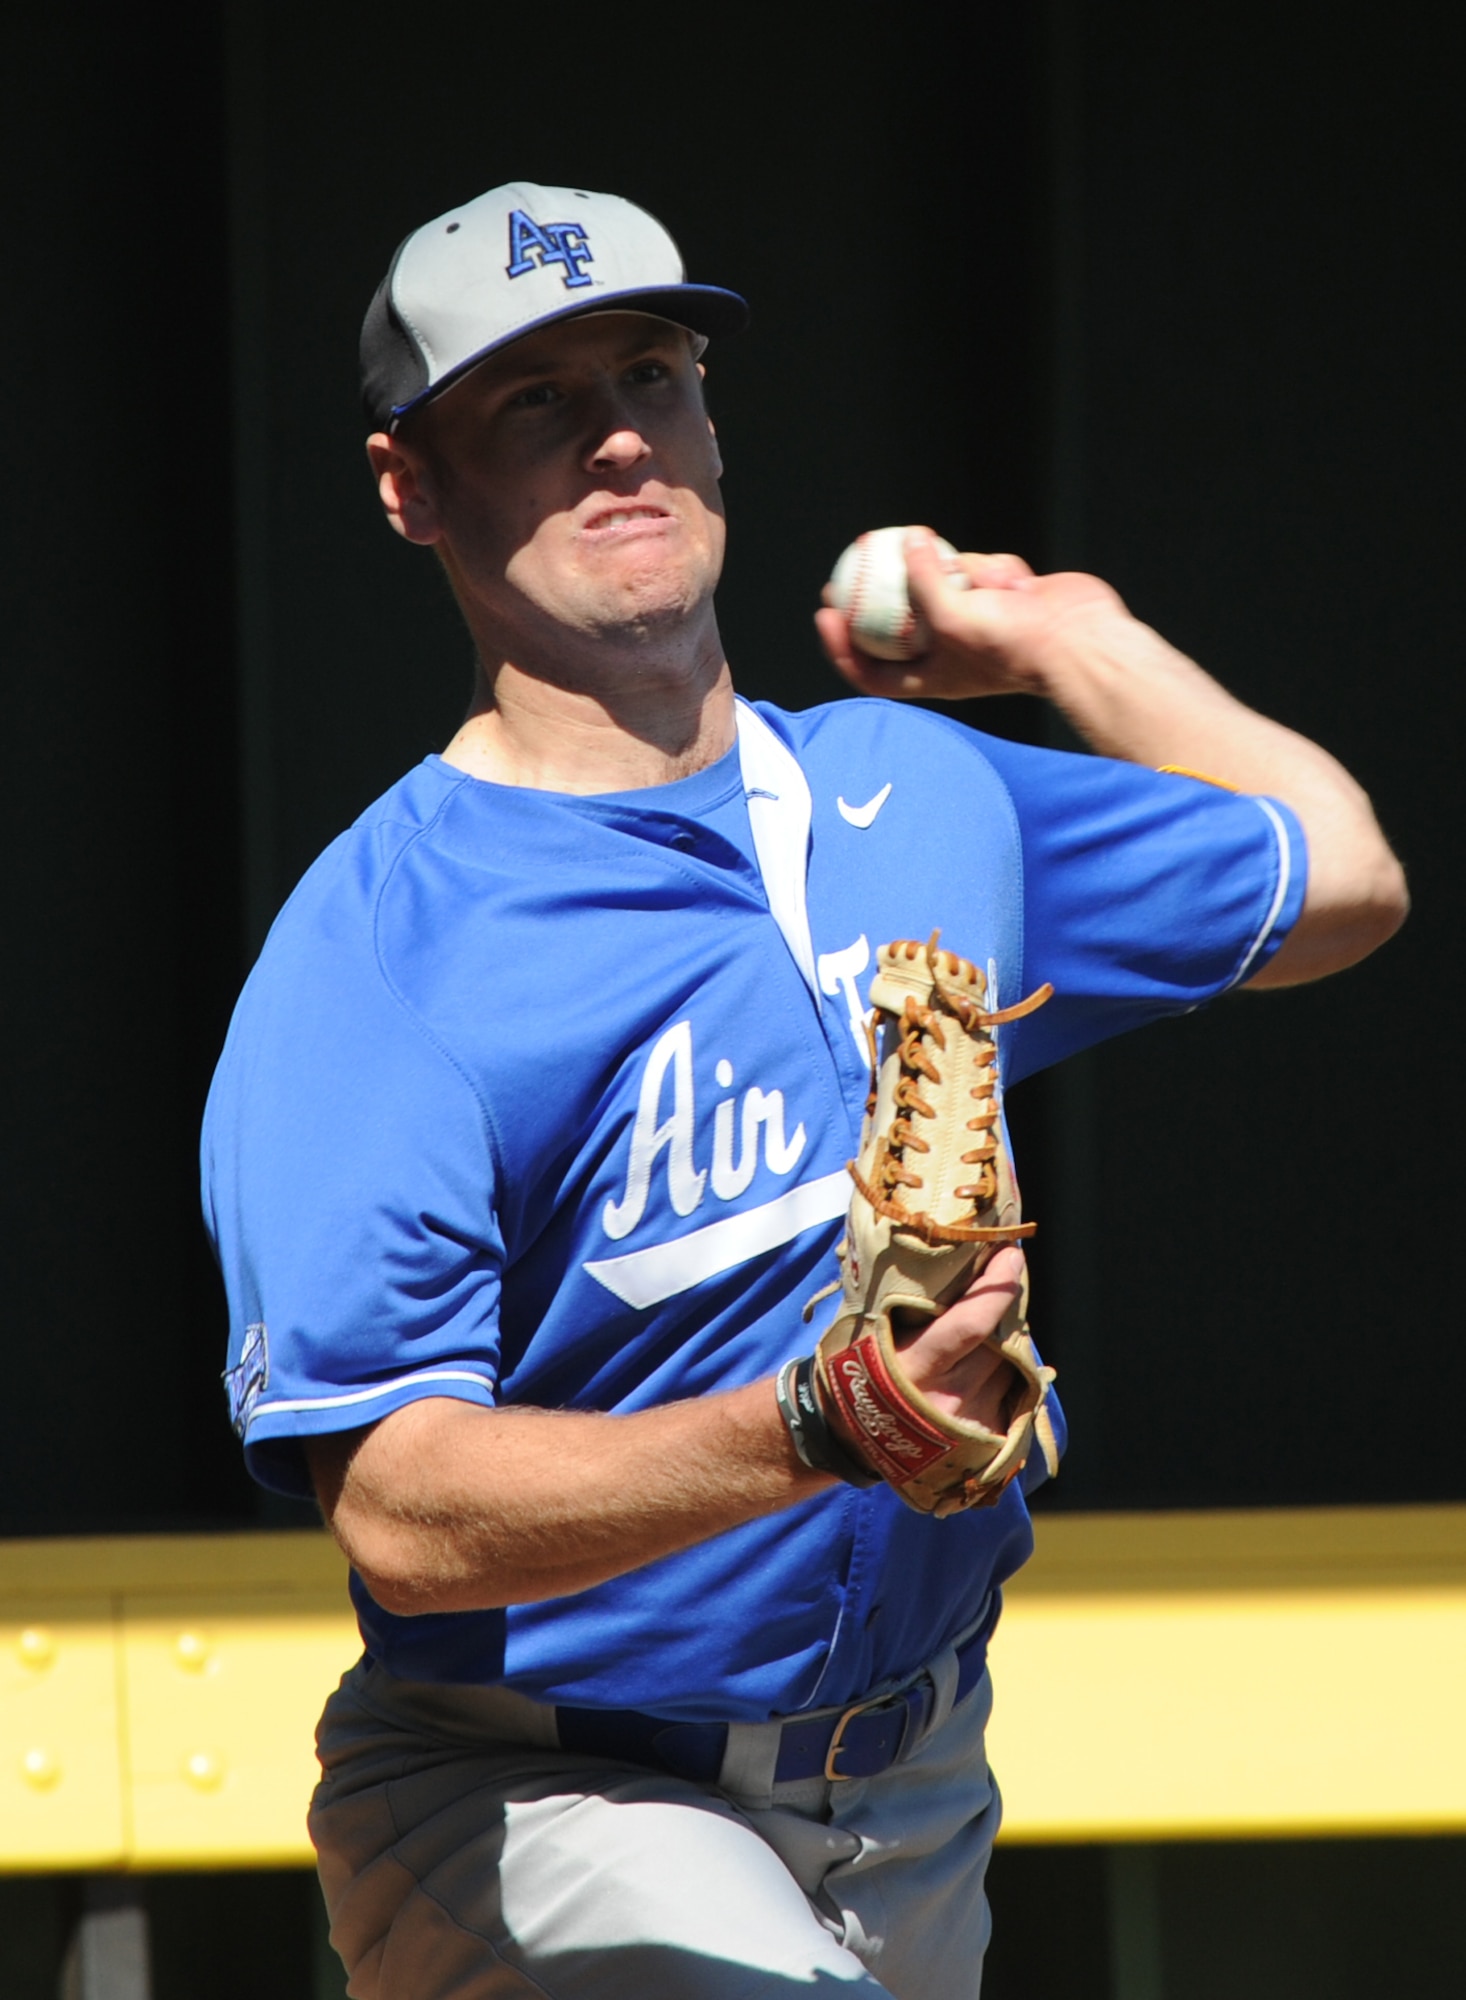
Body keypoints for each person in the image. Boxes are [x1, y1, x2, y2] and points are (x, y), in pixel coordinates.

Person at [202, 182, 1406, 1999]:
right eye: (532, 398)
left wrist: (1064, 637)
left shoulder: (919, 792)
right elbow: (397, 1505)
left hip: (914, 1784)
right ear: (410, 485)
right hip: (552, 1797)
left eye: (654, 371)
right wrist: (818, 1423)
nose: (619, 433)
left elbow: (1339, 883)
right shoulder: (377, 957)